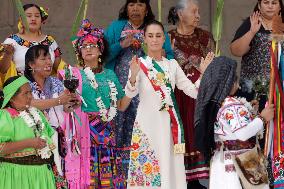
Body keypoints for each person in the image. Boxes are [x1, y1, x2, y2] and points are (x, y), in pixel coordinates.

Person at [126, 20, 214, 189]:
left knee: (170, 167)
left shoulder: (172, 65)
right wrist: (132, 77)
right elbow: (130, 93)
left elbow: (193, 91)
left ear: (164, 39)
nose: (154, 40)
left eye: (158, 35)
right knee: (148, 170)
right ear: (144, 38)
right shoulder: (139, 64)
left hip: (170, 126)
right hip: (147, 125)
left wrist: (202, 74)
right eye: (150, 36)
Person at [60, 19, 139, 188]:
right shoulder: (72, 74)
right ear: (79, 52)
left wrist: (132, 79)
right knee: (87, 175)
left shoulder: (109, 74)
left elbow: (121, 105)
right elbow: (65, 105)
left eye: (93, 45)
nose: (88, 49)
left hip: (107, 132)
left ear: (100, 50)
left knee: (106, 176)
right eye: (84, 46)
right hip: (83, 131)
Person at [104, 1, 174, 173]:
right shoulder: (116, 27)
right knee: (120, 125)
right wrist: (120, 45)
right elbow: (102, 54)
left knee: (144, 125)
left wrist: (158, 50)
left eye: (140, 4)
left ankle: (146, 170)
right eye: (132, 4)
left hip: (148, 90)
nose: (135, 8)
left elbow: (169, 56)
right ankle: (119, 172)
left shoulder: (154, 28)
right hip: (121, 88)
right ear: (126, 8)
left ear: (147, 9)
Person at [194, 56, 274, 189]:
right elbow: (243, 133)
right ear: (229, 81)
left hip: (222, 164)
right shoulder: (232, 105)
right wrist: (262, 118)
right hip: (242, 164)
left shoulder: (212, 103)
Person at [167, 0, 215, 187]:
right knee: (180, 134)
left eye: (198, 12)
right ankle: (181, 179)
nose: (198, 16)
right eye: (194, 12)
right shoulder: (167, 38)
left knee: (198, 133)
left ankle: (196, 181)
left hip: (199, 95)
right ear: (180, 14)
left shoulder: (205, 37)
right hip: (177, 96)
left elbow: (212, 65)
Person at [24, 44, 77, 176]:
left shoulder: (56, 82)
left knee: (58, 176)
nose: (49, 62)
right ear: (31, 65)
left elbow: (65, 108)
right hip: (35, 140)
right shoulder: (23, 84)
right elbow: (29, 104)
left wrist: (71, 103)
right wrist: (59, 100)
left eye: (49, 58)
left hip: (57, 137)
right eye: (43, 59)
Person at [0, 76, 58, 189]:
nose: (30, 96)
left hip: (41, 176)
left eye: (30, 92)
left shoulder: (36, 113)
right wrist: (29, 143)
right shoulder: (5, 117)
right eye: (25, 93)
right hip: (17, 177)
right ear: (12, 98)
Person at [230, 0, 284, 110]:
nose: (270, 6)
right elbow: (236, 51)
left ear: (280, 7)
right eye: (266, 2)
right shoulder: (251, 23)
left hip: (279, 90)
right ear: (259, 5)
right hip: (253, 90)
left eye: (274, 3)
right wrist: (252, 32)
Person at [0, 3, 63, 88]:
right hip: (21, 90)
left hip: (47, 89)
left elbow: (59, 68)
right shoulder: (12, 40)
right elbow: (3, 70)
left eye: (37, 16)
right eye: (29, 16)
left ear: (42, 20)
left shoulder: (50, 41)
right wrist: (8, 53)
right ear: (21, 19)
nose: (33, 19)